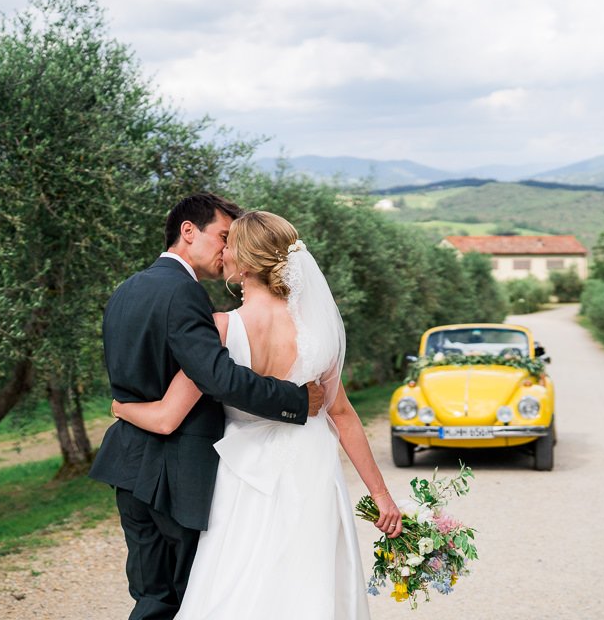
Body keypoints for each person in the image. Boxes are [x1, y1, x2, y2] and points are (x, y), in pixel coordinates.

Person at [112, 210, 403, 619]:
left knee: (239, 581)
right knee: (312, 580)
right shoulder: (320, 331)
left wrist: (120, 406)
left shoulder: (221, 329)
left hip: (243, 474)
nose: (223, 251)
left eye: (230, 244)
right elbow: (344, 415)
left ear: (246, 264)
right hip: (312, 469)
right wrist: (381, 496)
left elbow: (166, 417)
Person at [89, 194, 326, 620]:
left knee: (150, 595)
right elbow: (218, 377)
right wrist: (296, 399)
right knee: (185, 598)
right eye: (222, 236)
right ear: (187, 231)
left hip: (128, 466)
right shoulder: (184, 293)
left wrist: (122, 409)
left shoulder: (127, 289)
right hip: (176, 473)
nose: (226, 249)